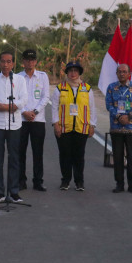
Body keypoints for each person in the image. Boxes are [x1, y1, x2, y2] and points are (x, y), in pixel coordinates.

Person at [0, 51, 27, 203]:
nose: (6, 64)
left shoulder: (20, 80)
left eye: (9, 61)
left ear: (13, 63)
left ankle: (14, 191)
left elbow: (24, 99)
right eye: (3, 61)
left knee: (14, 158)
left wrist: (10, 106)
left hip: (14, 124)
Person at [51, 61, 96, 191]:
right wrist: (56, 124)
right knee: (65, 155)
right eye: (70, 71)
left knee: (79, 156)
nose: (73, 73)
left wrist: (92, 125)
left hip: (81, 127)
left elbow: (92, 108)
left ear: (79, 73)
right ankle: (65, 180)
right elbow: (54, 107)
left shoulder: (87, 88)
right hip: (64, 127)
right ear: (67, 73)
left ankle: (79, 181)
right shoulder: (61, 88)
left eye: (76, 71)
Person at [105, 64, 132, 194]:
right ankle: (119, 184)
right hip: (116, 127)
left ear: (129, 73)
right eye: (119, 72)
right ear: (116, 73)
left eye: (124, 72)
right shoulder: (111, 88)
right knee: (118, 156)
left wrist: (129, 116)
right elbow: (108, 105)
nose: (122, 74)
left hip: (131, 127)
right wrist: (119, 116)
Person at [17, 49, 50, 192]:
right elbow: (16, 98)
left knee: (38, 152)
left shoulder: (43, 76)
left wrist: (34, 112)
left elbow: (45, 97)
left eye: (32, 60)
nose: (29, 62)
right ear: (23, 61)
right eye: (27, 60)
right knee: (20, 152)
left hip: (38, 119)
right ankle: (20, 181)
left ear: (36, 61)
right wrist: (24, 112)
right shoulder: (17, 77)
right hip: (21, 120)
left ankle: (38, 181)